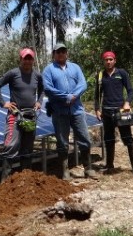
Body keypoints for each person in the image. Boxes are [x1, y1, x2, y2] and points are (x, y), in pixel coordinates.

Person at [42, 42, 98, 181]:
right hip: (59, 111)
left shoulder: (75, 67)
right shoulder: (48, 70)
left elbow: (83, 84)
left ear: (67, 53)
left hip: (77, 109)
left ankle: (88, 168)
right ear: (54, 54)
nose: (61, 53)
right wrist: (65, 96)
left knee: (84, 138)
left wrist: (74, 96)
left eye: (63, 51)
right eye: (58, 51)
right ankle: (65, 171)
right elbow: (48, 88)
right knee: (62, 142)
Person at [0, 48, 44, 180]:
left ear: (33, 60)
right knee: (10, 146)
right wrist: (3, 103)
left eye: (30, 58)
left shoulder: (37, 75)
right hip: (15, 115)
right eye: (25, 58)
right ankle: (5, 181)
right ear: (20, 59)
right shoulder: (13, 73)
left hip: (30, 116)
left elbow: (43, 89)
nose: (27, 61)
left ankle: (25, 179)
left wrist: (39, 101)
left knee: (27, 148)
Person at [94, 51, 133, 175]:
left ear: (115, 60)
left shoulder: (122, 73)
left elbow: (130, 91)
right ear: (103, 62)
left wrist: (127, 103)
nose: (108, 62)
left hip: (120, 112)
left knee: (127, 138)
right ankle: (109, 165)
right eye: (106, 60)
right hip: (106, 112)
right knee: (109, 139)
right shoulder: (100, 75)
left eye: (110, 59)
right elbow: (97, 95)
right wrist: (97, 109)